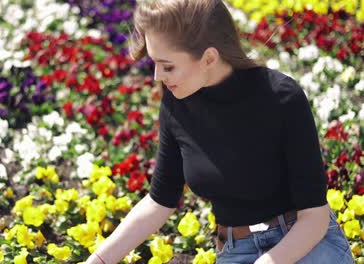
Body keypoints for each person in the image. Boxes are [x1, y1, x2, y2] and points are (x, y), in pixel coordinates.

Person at [86, 0, 355, 263]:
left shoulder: (281, 98)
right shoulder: (176, 104)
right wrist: (97, 260)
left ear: (209, 58)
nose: (157, 76)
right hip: (238, 250)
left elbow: (315, 217)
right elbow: (160, 202)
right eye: (154, 63)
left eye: (168, 66)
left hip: (304, 243)